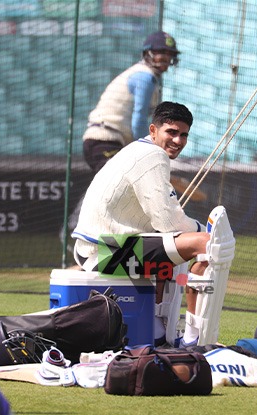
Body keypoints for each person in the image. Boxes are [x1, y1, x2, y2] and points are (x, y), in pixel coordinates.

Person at [72, 101, 212, 347]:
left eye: (184, 135)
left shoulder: (140, 151)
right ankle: (194, 336)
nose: (178, 140)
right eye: (171, 132)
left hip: (99, 249)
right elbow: (168, 221)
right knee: (206, 244)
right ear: (153, 130)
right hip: (104, 252)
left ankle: (158, 328)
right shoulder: (153, 156)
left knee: (174, 266)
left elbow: (162, 221)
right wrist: (204, 230)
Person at [82, 31, 180, 173]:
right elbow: (139, 119)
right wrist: (146, 151)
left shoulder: (145, 75)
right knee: (119, 186)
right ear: (148, 53)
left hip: (106, 142)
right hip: (104, 142)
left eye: (169, 53)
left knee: (121, 191)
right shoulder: (145, 77)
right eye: (161, 51)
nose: (166, 57)